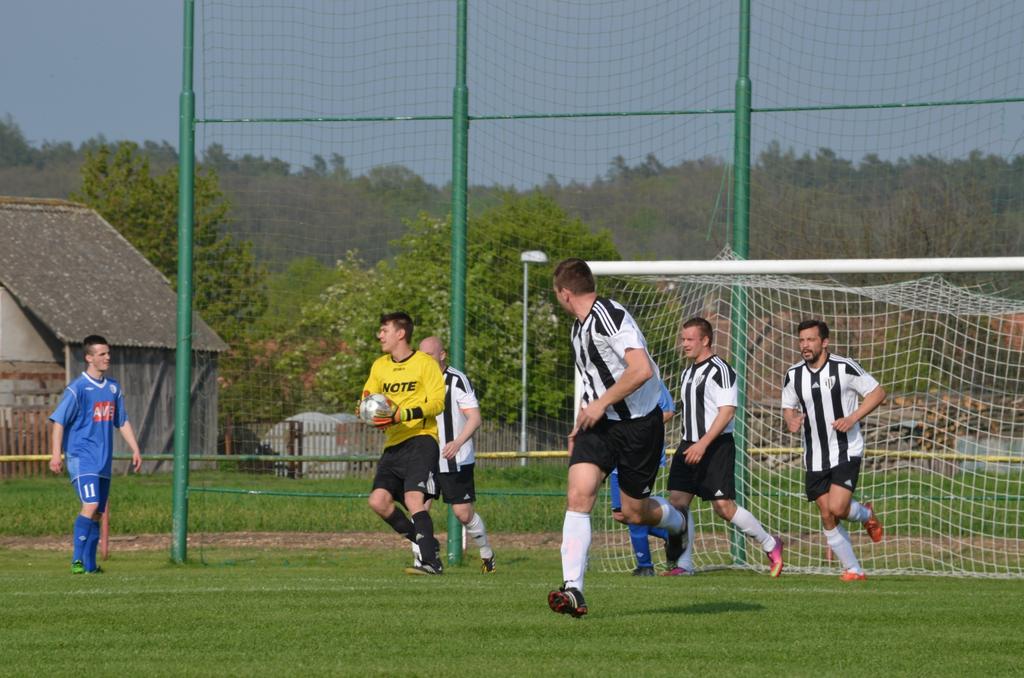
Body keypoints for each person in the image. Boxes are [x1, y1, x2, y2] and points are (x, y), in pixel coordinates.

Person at [547, 258, 688, 617]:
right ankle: (573, 590)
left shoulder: (609, 314)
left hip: (640, 426)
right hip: (600, 427)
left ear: (565, 293)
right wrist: (583, 417)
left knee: (633, 512)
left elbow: (640, 370)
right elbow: (594, 382)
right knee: (578, 494)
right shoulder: (578, 329)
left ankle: (677, 524)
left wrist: (601, 404)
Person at [664, 317, 783, 577]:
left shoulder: (721, 370)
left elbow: (727, 411)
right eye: (683, 339)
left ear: (705, 340)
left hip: (715, 445)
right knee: (677, 503)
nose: (684, 344)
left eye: (689, 339)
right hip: (688, 445)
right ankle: (684, 565)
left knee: (723, 507)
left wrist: (703, 444)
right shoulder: (687, 372)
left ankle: (770, 544)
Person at [782, 319, 886, 581]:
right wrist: (790, 419)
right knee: (827, 514)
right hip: (814, 455)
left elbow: (877, 393)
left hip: (845, 449)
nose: (805, 345)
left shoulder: (844, 366)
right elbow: (788, 405)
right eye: (802, 340)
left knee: (838, 507)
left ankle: (866, 514)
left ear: (824, 342)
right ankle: (854, 569)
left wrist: (853, 417)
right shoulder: (794, 374)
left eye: (811, 340)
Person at [362, 312, 447, 575]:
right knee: (378, 501)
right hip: (393, 444)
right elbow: (367, 397)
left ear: (401, 333)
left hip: (422, 440)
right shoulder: (380, 366)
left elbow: (437, 403)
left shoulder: (424, 363)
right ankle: (427, 544)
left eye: (384, 329)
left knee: (413, 498)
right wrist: (366, 411)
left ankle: (430, 562)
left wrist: (403, 414)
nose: (380, 335)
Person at [48, 335, 142, 574]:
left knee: (98, 512)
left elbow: (122, 421)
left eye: (108, 353)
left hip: (103, 460)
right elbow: (58, 422)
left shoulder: (112, 388)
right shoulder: (77, 389)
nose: (107, 357)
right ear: (89, 358)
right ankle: (76, 561)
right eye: (101, 354)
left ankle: (90, 566)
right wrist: (56, 455)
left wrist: (135, 448)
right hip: (82, 457)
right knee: (90, 504)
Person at [415, 335, 496, 573]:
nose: (424, 359)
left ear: (442, 355)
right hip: (425, 457)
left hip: (455, 458)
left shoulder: (456, 380)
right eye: (421, 355)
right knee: (418, 506)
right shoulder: (416, 381)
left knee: (462, 513)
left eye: (429, 354)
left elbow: (475, 417)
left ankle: (486, 553)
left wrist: (458, 442)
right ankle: (423, 560)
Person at [608, 380, 675, 576]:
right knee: (621, 514)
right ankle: (670, 534)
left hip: (639, 454)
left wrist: (637, 430)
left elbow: (669, 410)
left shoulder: (648, 379)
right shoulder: (610, 382)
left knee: (633, 511)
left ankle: (645, 566)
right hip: (616, 454)